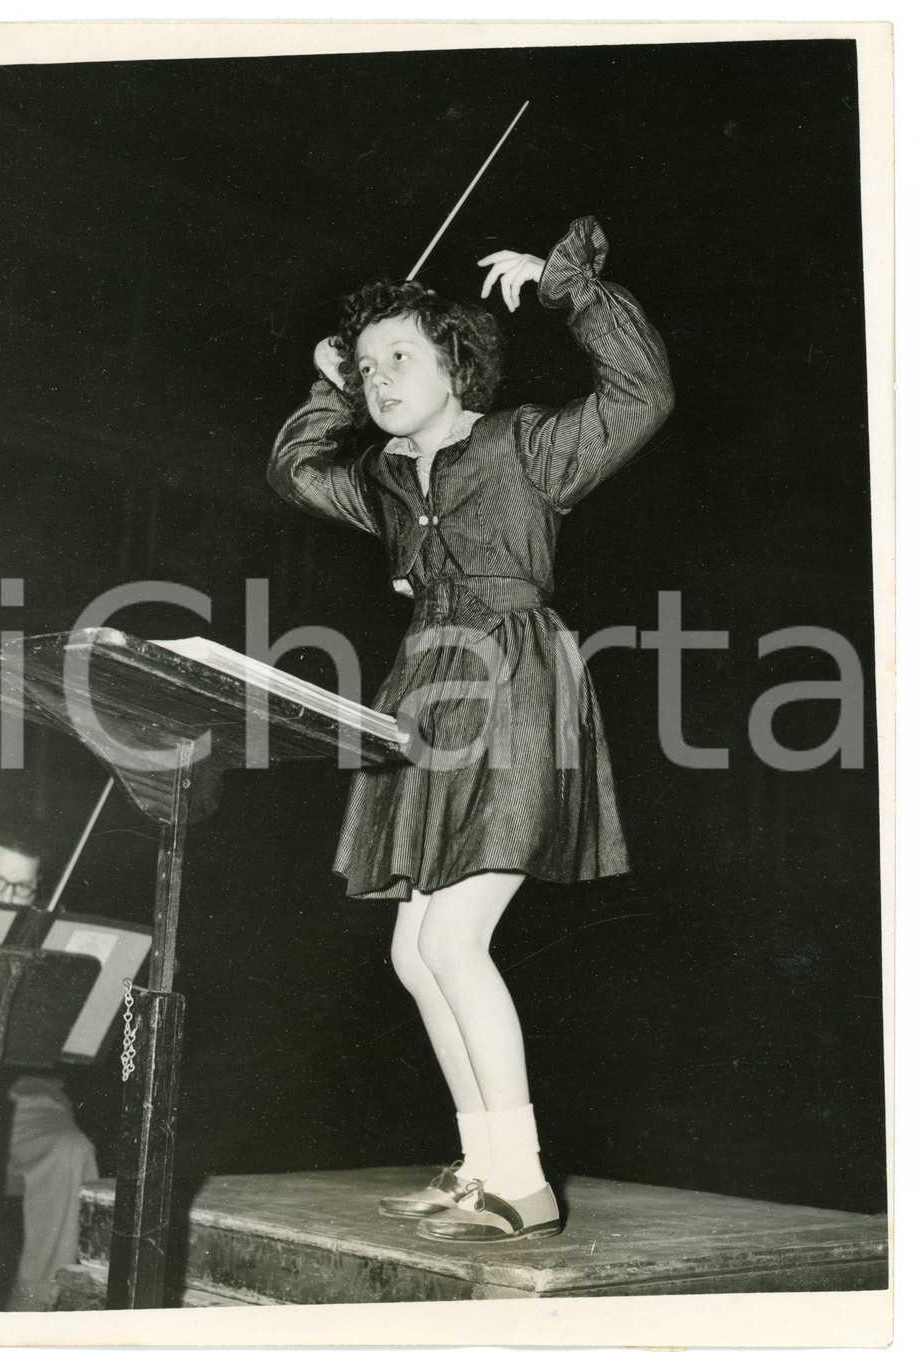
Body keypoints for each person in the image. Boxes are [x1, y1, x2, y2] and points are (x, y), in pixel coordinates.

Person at [268, 215, 673, 1242]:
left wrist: (567, 285)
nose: (379, 376)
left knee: (454, 938)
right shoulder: (386, 479)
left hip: (514, 686)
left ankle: (522, 1183)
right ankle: (485, 1161)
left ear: (454, 360)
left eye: (400, 354)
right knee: (416, 953)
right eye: (364, 367)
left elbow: (641, 394)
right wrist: (324, 385)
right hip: (425, 702)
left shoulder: (526, 446)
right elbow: (295, 472)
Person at [0, 820, 100, 1310]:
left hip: (22, 1094)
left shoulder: (54, 931)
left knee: (70, 1151)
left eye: (23, 888)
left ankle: (36, 1313)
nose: (9, 896)